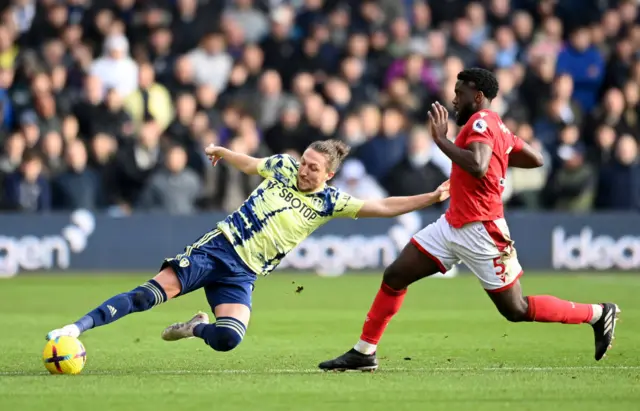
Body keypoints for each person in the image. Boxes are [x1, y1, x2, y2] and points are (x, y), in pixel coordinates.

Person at [318, 68, 619, 372]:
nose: (454, 99)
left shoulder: (480, 121)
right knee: (395, 275)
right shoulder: (496, 125)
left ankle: (597, 313)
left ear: (477, 96)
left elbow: (477, 165)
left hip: (482, 229)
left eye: (459, 93)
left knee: (516, 309)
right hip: (452, 225)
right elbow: (534, 158)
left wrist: (440, 140)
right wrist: (500, 154)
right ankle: (364, 352)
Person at [46, 140, 450, 354]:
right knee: (148, 295)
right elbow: (251, 163)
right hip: (218, 249)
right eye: (304, 161)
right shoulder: (284, 167)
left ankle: (194, 327)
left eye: (313, 167)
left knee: (228, 339)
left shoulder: (330, 201)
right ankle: (75, 328)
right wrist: (223, 152)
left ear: (329, 173)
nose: (304, 169)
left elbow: (382, 205)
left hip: (244, 274)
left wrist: (430, 198)